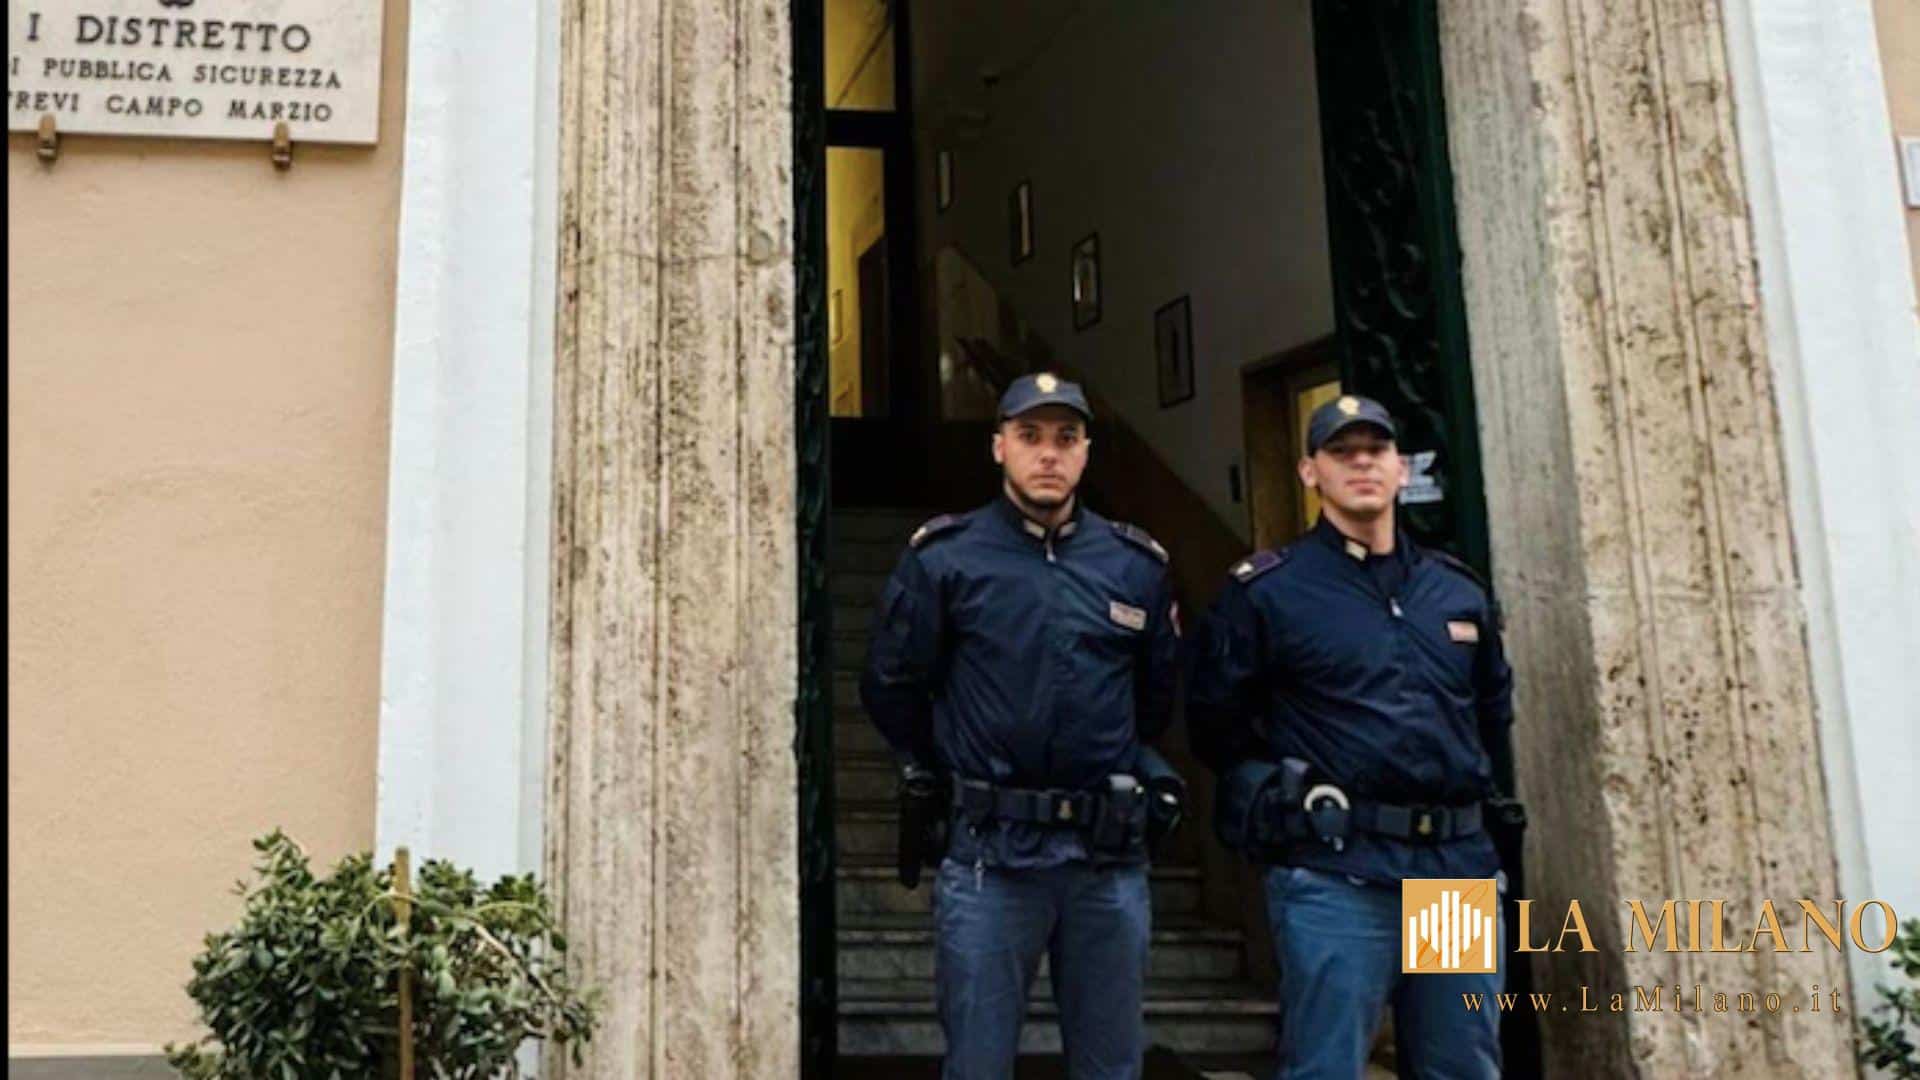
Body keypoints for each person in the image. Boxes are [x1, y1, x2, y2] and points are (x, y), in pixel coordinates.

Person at [860, 372, 1181, 1080]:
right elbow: (893, 686)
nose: (1049, 453)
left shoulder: (1438, 587)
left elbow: (1160, 700)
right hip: (996, 855)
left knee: (1455, 1032)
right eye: (1030, 435)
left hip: (1433, 870)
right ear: (999, 445)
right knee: (978, 1064)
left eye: (1066, 438)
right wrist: (950, 764)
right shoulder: (948, 558)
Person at [1186, 394, 1513, 1079]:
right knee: (1327, 1067)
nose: (1361, 463)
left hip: (1452, 873)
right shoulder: (1269, 592)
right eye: (1341, 451)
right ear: (1310, 472)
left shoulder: (1456, 592)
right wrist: (1280, 797)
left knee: (1463, 1065)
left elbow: (1491, 713)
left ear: (1401, 468)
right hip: (1339, 874)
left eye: (1376, 450)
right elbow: (1217, 725)